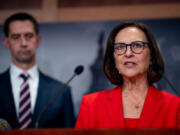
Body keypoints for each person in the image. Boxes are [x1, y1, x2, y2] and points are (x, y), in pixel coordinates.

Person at [75, 22, 180, 129]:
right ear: (114, 59)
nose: (128, 53)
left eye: (137, 45)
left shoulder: (174, 106)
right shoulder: (91, 105)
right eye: (120, 47)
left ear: (151, 56)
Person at [0, 12, 75, 129]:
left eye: (29, 36)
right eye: (16, 37)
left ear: (38, 40)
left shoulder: (61, 91)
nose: (23, 43)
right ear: (6, 43)